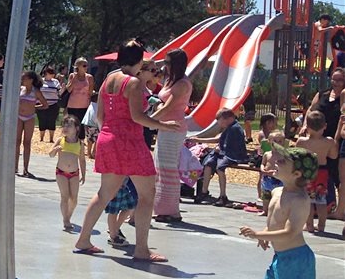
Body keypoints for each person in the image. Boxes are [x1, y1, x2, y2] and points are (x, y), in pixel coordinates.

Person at [73, 43, 182, 261]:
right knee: (147, 194)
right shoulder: (132, 83)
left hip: (108, 138)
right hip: (129, 142)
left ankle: (83, 238)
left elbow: (101, 116)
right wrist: (164, 125)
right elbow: (137, 117)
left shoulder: (109, 79)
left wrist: (111, 131)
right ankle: (141, 249)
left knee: (104, 193)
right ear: (139, 61)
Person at [239, 146, 326, 279]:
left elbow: (291, 231)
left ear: (297, 174)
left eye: (283, 162)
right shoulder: (278, 192)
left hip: (296, 259)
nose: (276, 162)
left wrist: (258, 234)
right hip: (281, 257)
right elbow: (273, 219)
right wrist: (265, 235)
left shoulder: (300, 200)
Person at [152, 49, 192, 223]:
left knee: (168, 169)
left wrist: (147, 121)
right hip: (165, 126)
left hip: (174, 128)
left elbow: (169, 107)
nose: (165, 66)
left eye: (167, 63)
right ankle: (162, 208)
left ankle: (171, 210)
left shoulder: (182, 83)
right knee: (161, 168)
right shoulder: (171, 80)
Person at [193, 109, 249, 208]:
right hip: (224, 152)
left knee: (220, 167)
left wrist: (220, 150)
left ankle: (223, 196)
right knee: (208, 164)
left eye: (221, 120)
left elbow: (230, 146)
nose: (219, 123)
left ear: (228, 119)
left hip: (233, 154)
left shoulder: (235, 128)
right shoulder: (228, 127)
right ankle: (204, 192)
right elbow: (219, 139)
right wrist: (198, 139)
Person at [296, 111, 339, 233]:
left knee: (308, 200)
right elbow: (334, 156)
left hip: (308, 172)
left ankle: (309, 225)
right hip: (322, 172)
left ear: (307, 127)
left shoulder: (302, 141)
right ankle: (321, 226)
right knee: (321, 200)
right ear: (324, 126)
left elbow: (297, 157)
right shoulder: (329, 141)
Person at [51, 115, 87, 232]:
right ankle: (65, 220)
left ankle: (68, 216)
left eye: (69, 126)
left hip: (74, 173)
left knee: (74, 198)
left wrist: (83, 174)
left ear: (76, 128)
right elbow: (51, 154)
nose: (65, 128)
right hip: (61, 172)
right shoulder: (60, 141)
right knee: (64, 196)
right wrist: (55, 149)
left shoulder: (80, 144)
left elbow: (82, 160)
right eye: (64, 125)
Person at [14, 71, 49, 177]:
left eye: (24, 78)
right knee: (17, 141)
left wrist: (34, 108)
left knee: (27, 143)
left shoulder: (36, 91)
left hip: (29, 118)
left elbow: (45, 105)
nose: (22, 80)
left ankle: (25, 168)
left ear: (31, 80)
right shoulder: (21, 89)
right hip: (19, 116)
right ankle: (15, 166)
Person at [63, 58, 94, 141]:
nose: (86, 67)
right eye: (84, 65)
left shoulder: (89, 77)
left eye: (87, 65)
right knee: (71, 125)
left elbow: (90, 92)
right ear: (78, 66)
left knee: (81, 127)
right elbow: (69, 89)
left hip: (84, 105)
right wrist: (74, 79)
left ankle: (81, 145)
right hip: (72, 105)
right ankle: (70, 142)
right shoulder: (72, 76)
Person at [37, 65, 61, 142]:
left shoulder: (56, 81)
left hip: (53, 104)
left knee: (52, 121)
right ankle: (41, 138)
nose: (53, 75)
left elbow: (59, 92)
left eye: (53, 73)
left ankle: (51, 139)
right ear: (46, 73)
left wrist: (62, 89)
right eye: (51, 73)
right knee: (42, 120)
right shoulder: (40, 81)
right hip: (41, 104)